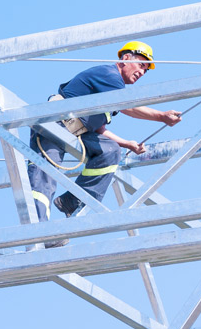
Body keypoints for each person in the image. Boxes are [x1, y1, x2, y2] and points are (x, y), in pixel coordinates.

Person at [28, 40, 182, 235]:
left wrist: (126, 143)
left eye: (146, 70)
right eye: (141, 65)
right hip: (54, 125)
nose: (142, 72)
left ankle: (72, 200)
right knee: (44, 178)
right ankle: (38, 232)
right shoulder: (109, 75)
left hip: (77, 132)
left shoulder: (111, 89)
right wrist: (160, 116)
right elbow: (129, 106)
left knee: (110, 150)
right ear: (126, 58)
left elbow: (97, 126)